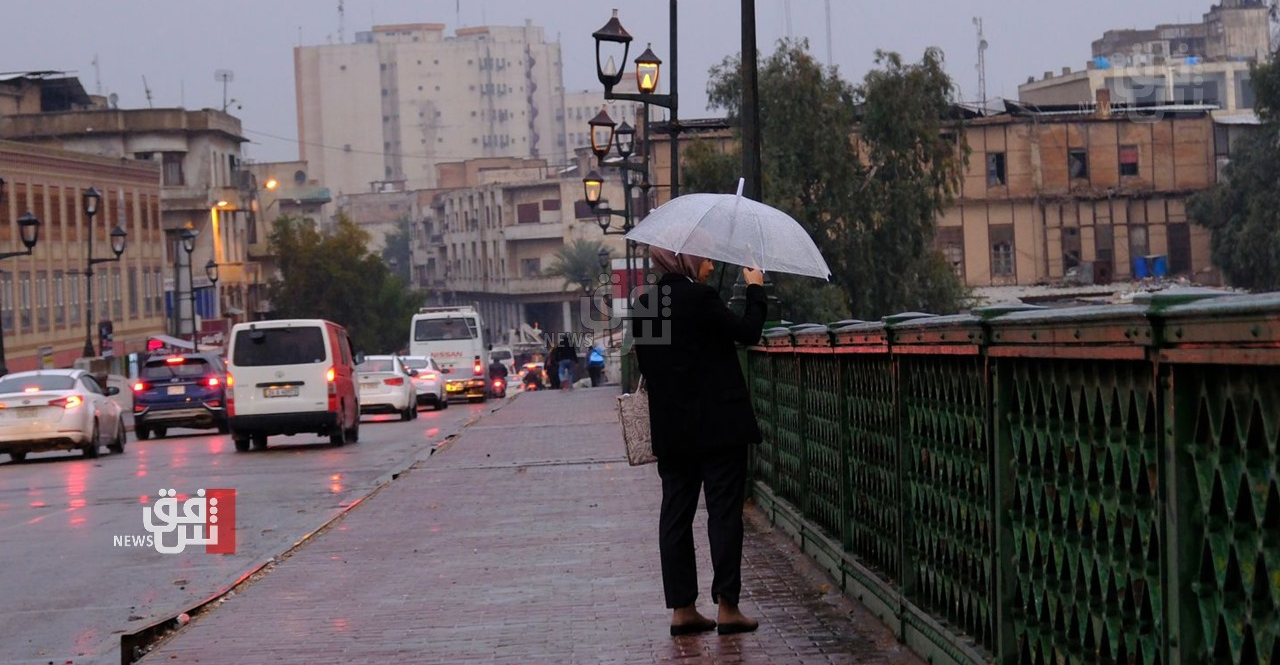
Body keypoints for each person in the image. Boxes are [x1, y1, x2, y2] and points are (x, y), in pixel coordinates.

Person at [631, 246, 767, 637]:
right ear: (684, 260)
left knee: (675, 515)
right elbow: (747, 332)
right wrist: (755, 289)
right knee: (723, 514)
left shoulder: (644, 307)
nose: (709, 265)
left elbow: (649, 365)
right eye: (703, 258)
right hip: (719, 428)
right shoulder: (701, 298)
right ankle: (727, 606)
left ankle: (683, 609)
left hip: (673, 431)